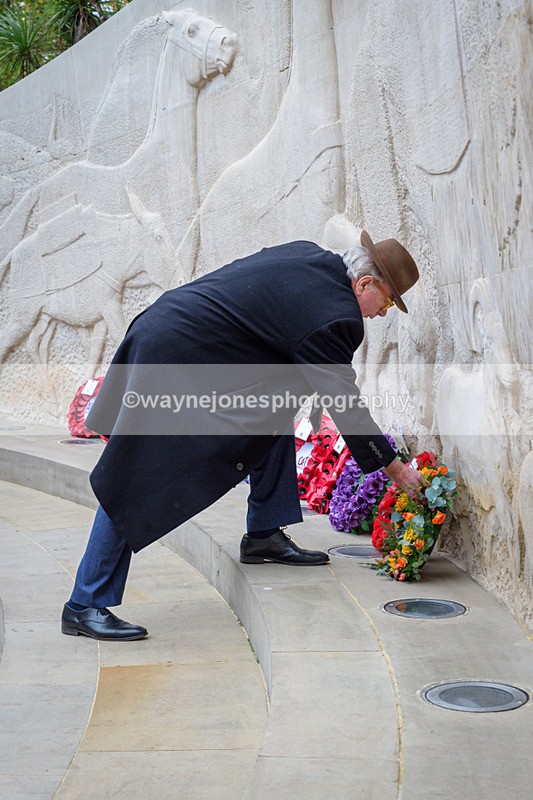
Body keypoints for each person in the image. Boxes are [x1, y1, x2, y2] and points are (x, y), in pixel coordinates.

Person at [61, 231, 424, 640]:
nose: (382, 314)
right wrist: (393, 468)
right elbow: (344, 403)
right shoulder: (336, 315)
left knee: (276, 404)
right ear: (364, 284)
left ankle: (264, 534)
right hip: (175, 358)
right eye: (388, 301)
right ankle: (85, 602)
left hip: (178, 337)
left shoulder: (313, 259)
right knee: (136, 475)